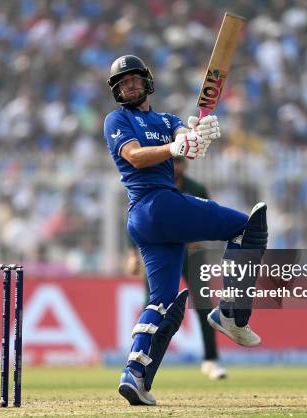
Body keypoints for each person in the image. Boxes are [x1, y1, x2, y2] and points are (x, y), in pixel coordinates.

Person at [104, 55, 267, 406]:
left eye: (134, 80)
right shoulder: (117, 119)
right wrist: (173, 147)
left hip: (155, 221)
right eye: (122, 84)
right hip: (154, 204)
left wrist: (196, 137)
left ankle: (135, 375)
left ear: (147, 81)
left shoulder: (167, 119)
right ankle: (231, 314)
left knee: (161, 300)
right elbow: (134, 156)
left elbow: (184, 140)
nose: (129, 86)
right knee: (249, 227)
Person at [127, 156, 227, 380]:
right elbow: (137, 216)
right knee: (152, 306)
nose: (176, 167)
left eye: (180, 162)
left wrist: (197, 234)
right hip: (160, 251)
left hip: (191, 254)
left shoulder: (195, 187)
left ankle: (211, 360)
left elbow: (207, 216)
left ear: (185, 165)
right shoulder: (151, 184)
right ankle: (137, 360)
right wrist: (132, 252)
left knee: (203, 305)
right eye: (173, 162)